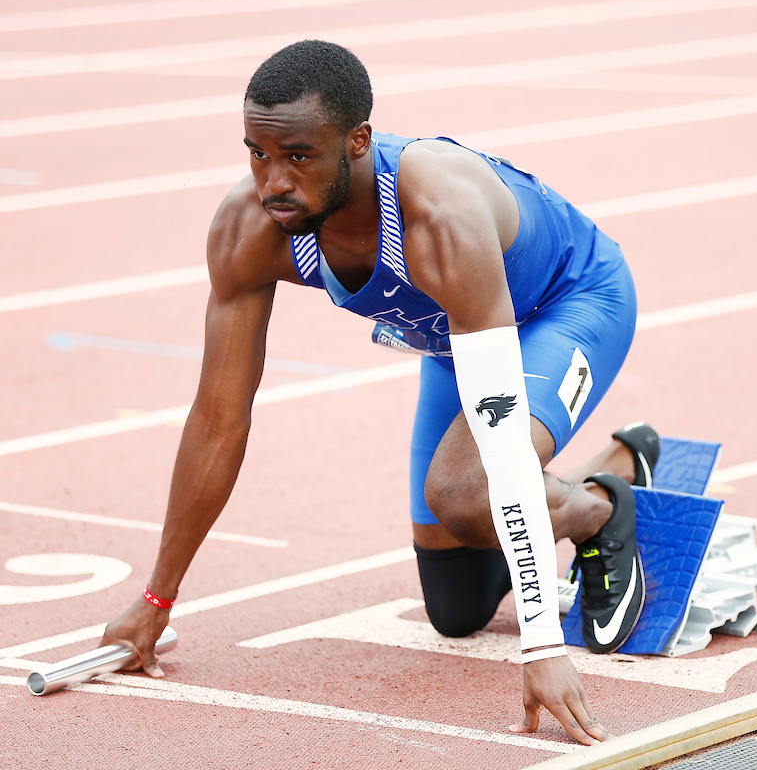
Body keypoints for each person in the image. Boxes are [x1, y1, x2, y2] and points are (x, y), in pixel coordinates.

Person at [99, 40, 662, 746]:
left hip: (566, 305)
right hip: (456, 333)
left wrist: (542, 648)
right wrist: (158, 598)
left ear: (358, 142)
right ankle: (614, 466)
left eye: (299, 156)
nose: (273, 182)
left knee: (460, 492)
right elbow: (218, 419)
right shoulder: (253, 228)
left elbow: (497, 423)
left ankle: (598, 511)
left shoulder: (438, 217)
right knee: (456, 608)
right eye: (257, 154)